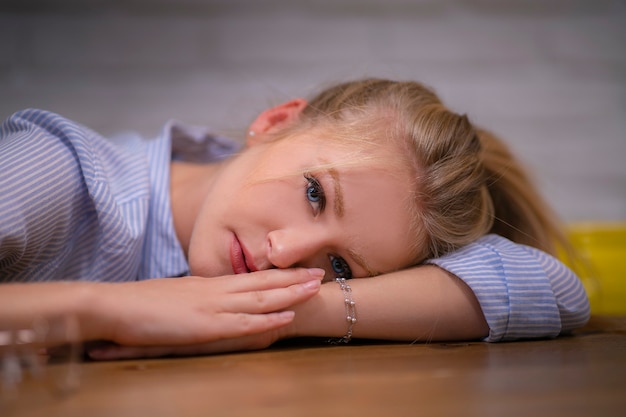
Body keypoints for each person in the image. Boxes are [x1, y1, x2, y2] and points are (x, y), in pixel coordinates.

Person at [0, 78, 589, 359]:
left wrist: (286, 313)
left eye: (337, 263)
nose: (285, 253)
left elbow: (552, 289)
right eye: (314, 194)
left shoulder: (283, 284)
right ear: (278, 120)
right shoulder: (55, 171)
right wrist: (115, 308)